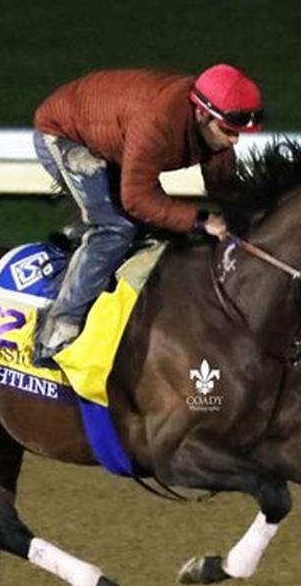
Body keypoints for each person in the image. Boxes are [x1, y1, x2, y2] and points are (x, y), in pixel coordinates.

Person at [30, 64, 265, 367]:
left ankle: (81, 247)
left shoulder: (211, 129)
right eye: (229, 131)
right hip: (65, 135)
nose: (235, 141)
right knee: (116, 228)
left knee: (157, 224)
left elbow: (226, 191)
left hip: (113, 135)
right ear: (201, 113)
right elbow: (136, 198)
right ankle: (56, 334)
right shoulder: (157, 122)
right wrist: (202, 220)